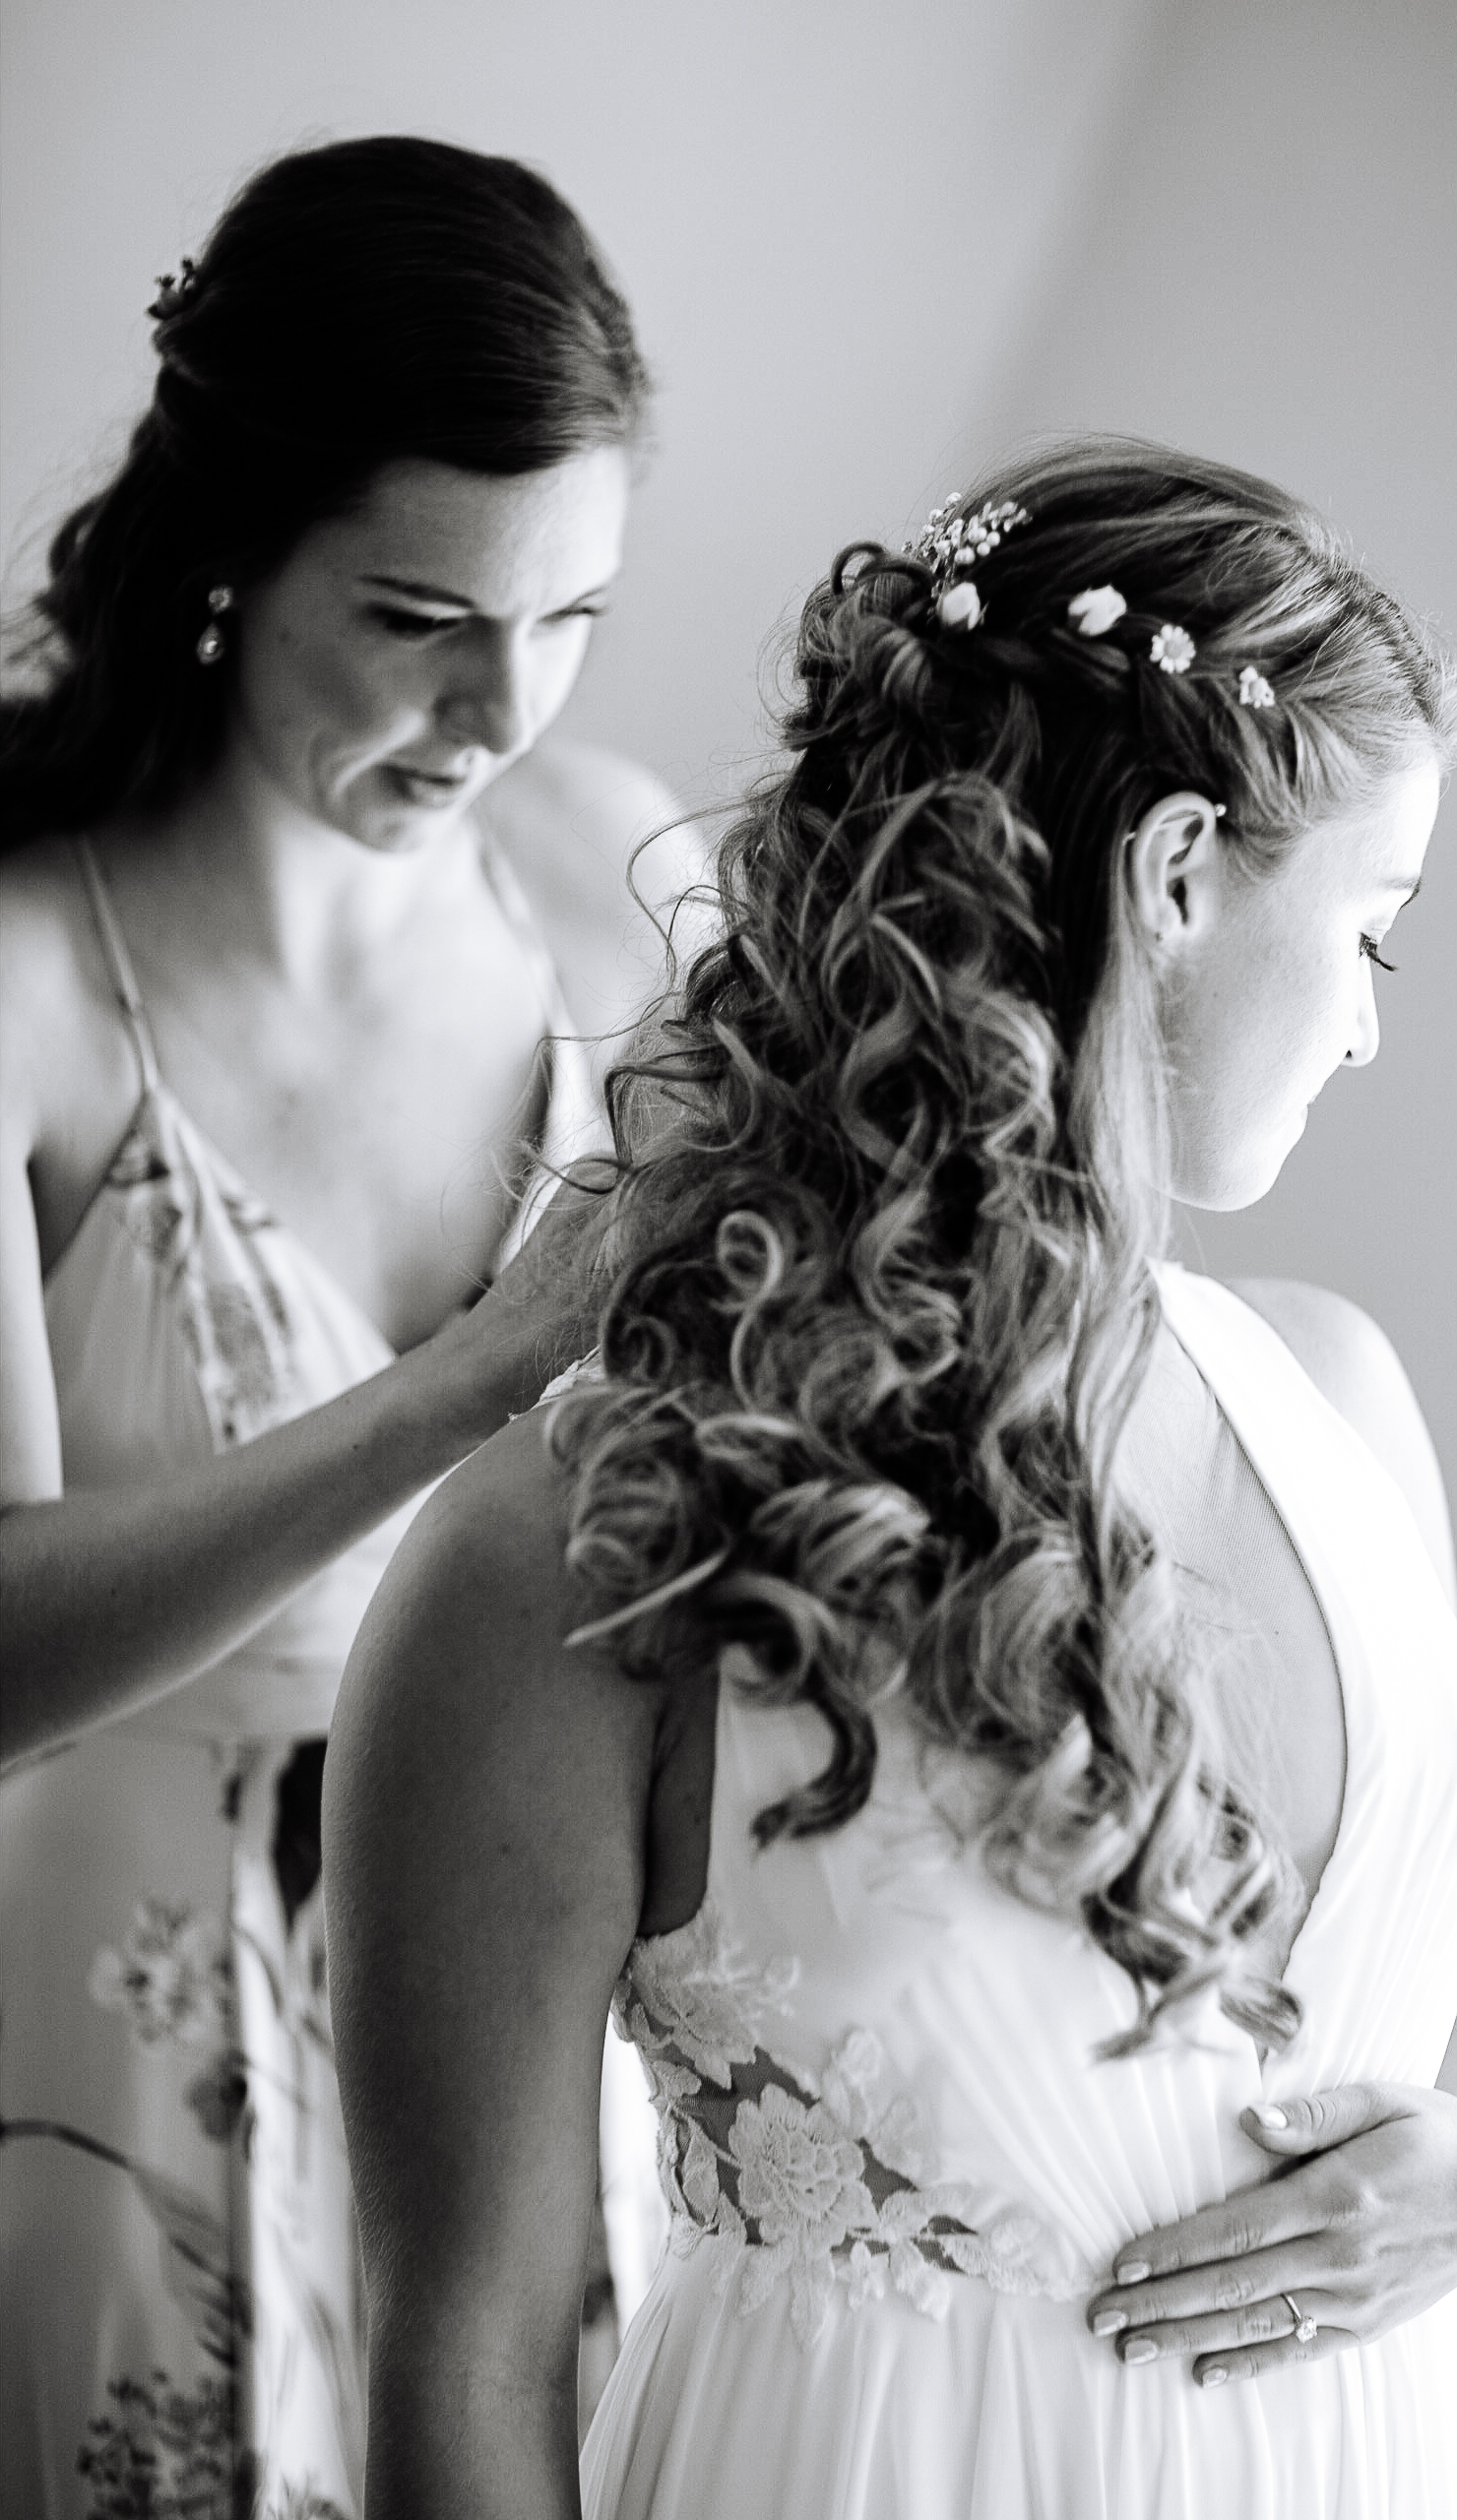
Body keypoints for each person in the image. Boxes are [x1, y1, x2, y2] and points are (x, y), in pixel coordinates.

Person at [324, 443, 1457, 2519]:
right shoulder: (578, 1551)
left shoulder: (1340, 1402)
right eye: (1369, 930)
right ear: (1177, 869)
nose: (1365, 1027)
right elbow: (467, 2340)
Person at [0, 134, 683, 2520]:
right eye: (420, 614)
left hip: (529, 2027)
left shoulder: (613, 894)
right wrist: (478, 1373)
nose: (503, 709)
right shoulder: (21, 993)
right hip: (112, 2043)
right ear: (230, 553)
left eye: (571, 616)